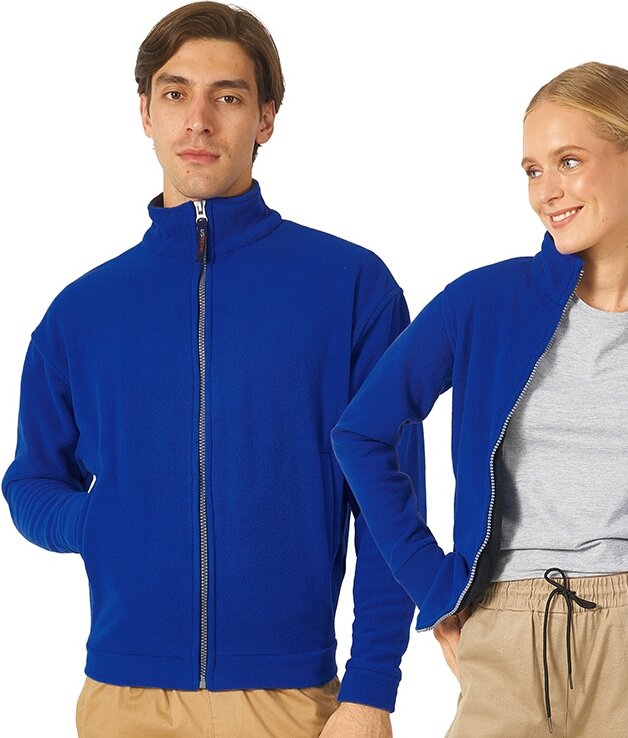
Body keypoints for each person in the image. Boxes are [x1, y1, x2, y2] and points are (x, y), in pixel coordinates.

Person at [331, 61, 628, 737]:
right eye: (532, 170)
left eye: (568, 162)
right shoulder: (482, 304)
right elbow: (361, 432)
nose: (546, 192)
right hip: (502, 628)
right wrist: (431, 584)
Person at [1, 2, 423, 736]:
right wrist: (95, 520)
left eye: (227, 97)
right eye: (176, 94)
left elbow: (392, 506)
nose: (198, 120)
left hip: (289, 697)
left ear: (265, 118)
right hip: (123, 699)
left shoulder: (351, 288)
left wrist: (371, 689)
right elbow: (31, 481)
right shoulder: (82, 311)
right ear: (146, 112)